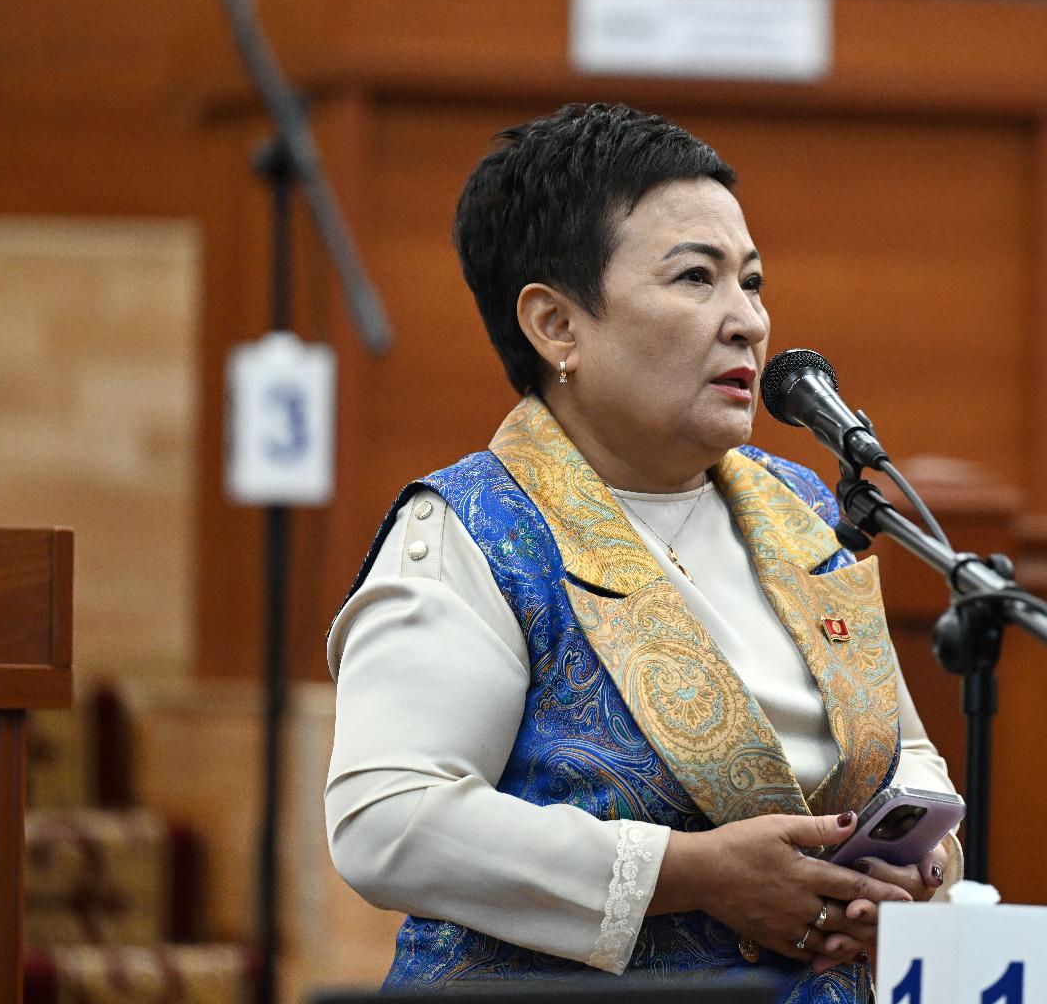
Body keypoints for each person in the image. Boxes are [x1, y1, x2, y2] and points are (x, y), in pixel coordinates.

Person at [323, 103, 960, 1001]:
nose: (748, 321)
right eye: (696, 278)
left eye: (751, 281)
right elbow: (387, 819)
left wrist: (916, 870)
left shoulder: (802, 507)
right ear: (556, 325)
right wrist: (688, 872)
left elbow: (906, 755)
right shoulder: (472, 528)